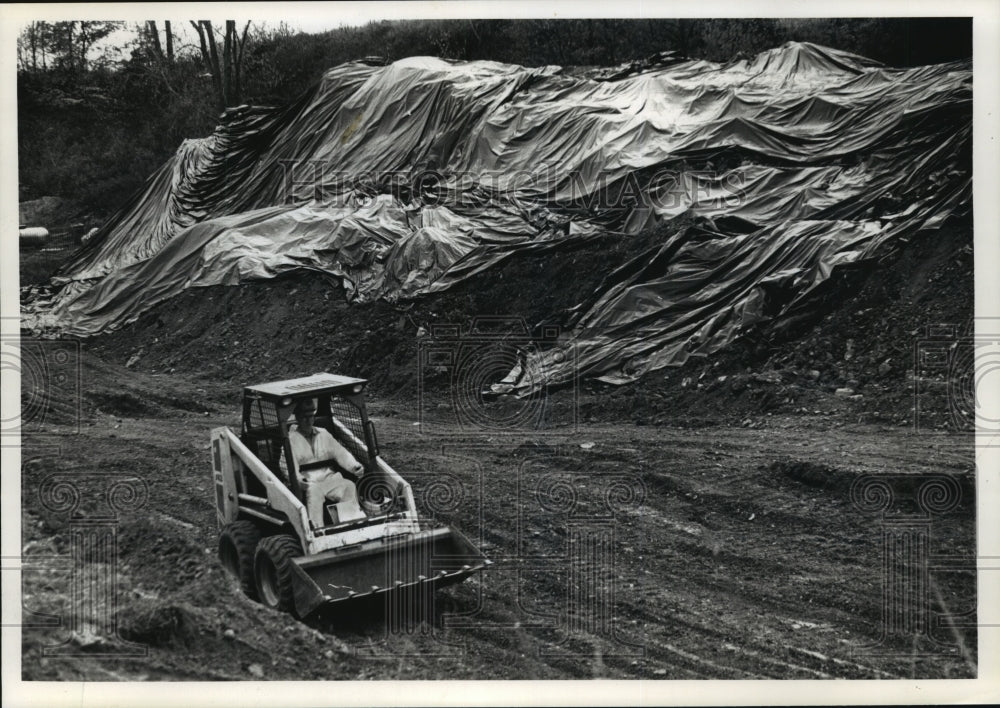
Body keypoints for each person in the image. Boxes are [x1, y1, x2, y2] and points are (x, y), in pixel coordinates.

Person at [287, 398, 365, 524]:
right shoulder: (290, 440)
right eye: (304, 417)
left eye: (311, 416)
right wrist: (299, 479)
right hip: (310, 483)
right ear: (297, 418)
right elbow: (287, 465)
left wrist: (354, 466)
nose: (308, 420)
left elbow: (340, 452)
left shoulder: (323, 434)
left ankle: (351, 524)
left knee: (349, 486)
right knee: (314, 493)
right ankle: (317, 530)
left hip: (330, 480)